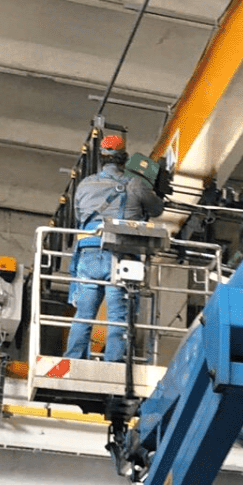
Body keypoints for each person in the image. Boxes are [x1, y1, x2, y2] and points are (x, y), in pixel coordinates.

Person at [65, 134, 163, 363]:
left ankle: (73, 359)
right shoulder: (135, 184)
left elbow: (80, 215)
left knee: (84, 315)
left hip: (88, 255)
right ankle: (114, 363)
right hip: (118, 257)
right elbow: (156, 209)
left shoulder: (85, 184)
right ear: (125, 159)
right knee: (118, 317)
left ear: (100, 159)